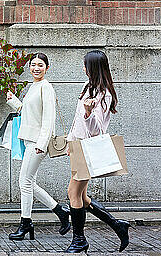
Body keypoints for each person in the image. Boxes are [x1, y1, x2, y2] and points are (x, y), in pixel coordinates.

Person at [64, 50, 130, 253]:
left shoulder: (104, 93)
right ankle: (118, 225)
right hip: (79, 147)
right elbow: (77, 121)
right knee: (81, 198)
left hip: (88, 149)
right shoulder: (88, 87)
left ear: (92, 67)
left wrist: (88, 112)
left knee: (73, 193)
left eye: (85, 65)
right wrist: (70, 141)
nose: (83, 68)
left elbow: (97, 129)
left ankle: (79, 240)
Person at [5, 53, 71, 241]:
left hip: (37, 143)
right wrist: (13, 101)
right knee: (30, 183)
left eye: (40, 65)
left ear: (47, 68)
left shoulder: (47, 88)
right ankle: (60, 212)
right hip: (28, 140)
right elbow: (27, 113)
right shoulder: (33, 87)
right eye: (33, 65)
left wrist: (42, 144)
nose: (36, 68)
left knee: (24, 181)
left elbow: (49, 119)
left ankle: (26, 223)